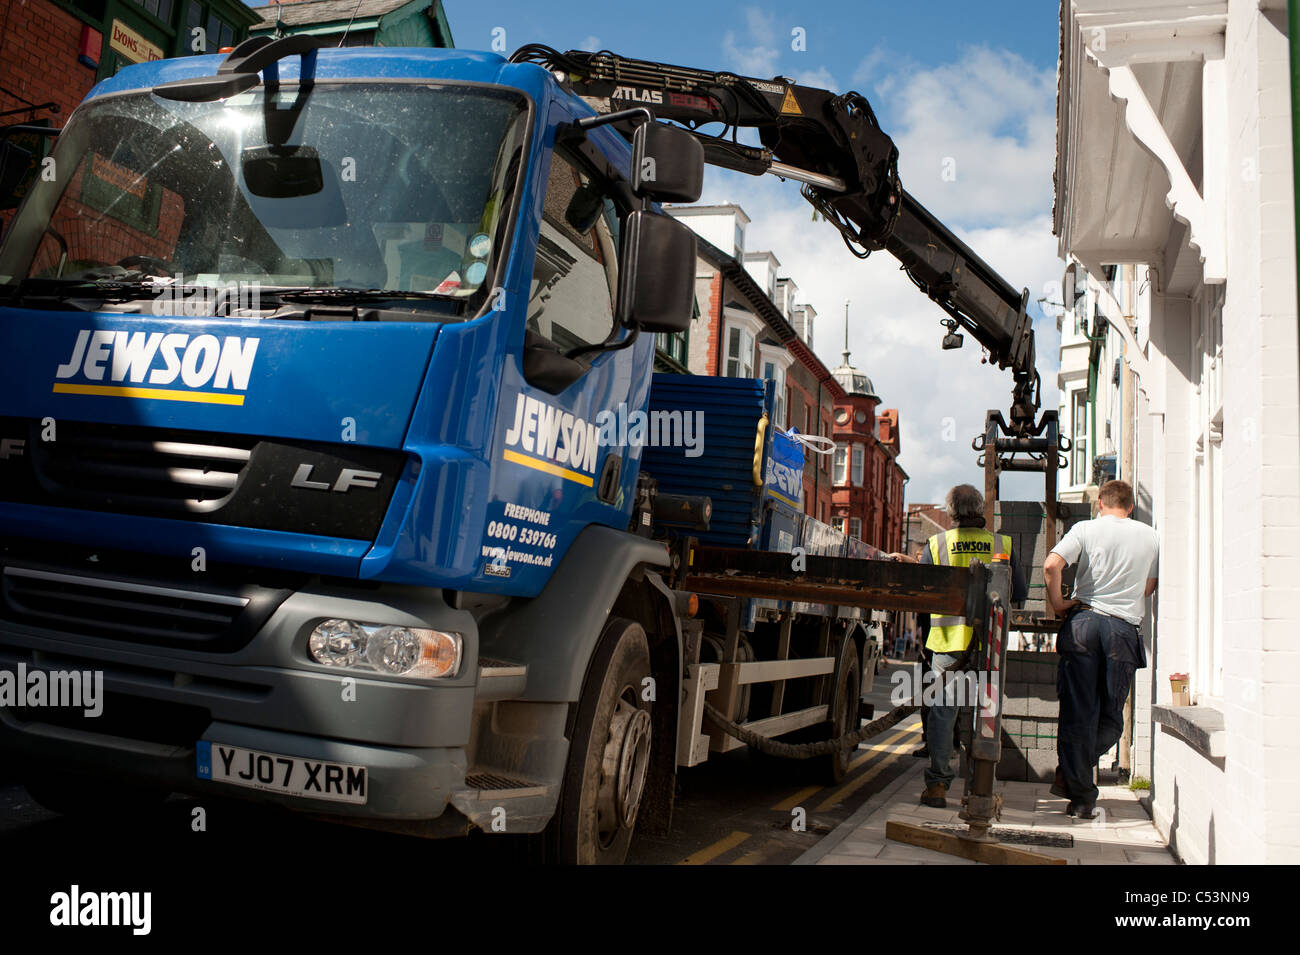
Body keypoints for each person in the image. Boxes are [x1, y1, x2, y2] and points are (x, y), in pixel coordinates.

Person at [888, 484, 1026, 808]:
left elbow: (922, 593)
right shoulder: (1002, 544)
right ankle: (980, 788)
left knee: (942, 715)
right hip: (988, 650)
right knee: (984, 715)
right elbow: (1017, 595)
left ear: (950, 513)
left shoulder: (936, 544)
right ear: (980, 510)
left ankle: (937, 787)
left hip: (948, 648)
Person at [1044, 479, 1158, 819]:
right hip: (1122, 631)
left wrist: (1059, 602)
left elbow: (1052, 565)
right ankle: (1076, 774)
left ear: (1100, 504)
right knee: (1111, 718)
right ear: (1131, 507)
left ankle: (1079, 792)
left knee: (1077, 712)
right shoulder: (1150, 536)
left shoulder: (1085, 529)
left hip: (1083, 623)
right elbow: (1148, 589)